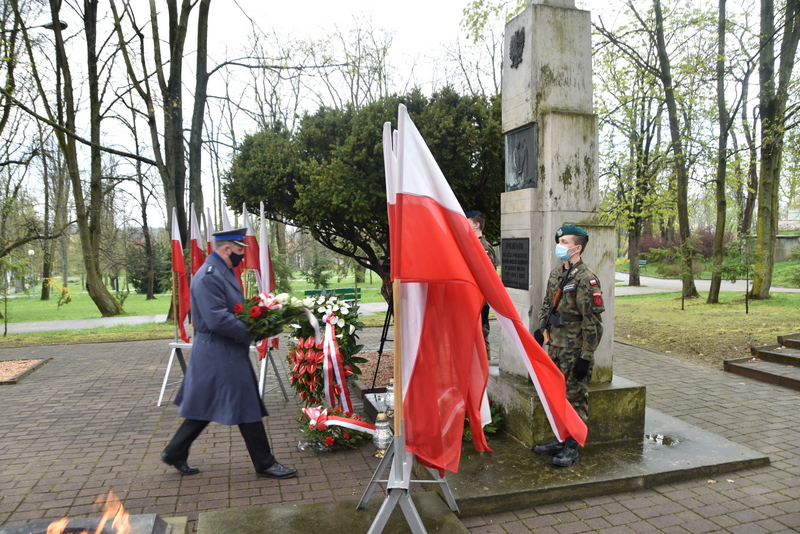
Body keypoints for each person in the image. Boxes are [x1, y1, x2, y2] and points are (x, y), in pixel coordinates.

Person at [161, 227, 297, 479]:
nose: (241, 256)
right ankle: (265, 463)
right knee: (247, 405)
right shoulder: (210, 275)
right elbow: (217, 319)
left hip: (218, 350)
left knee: (202, 405)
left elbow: (232, 309)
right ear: (225, 249)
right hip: (218, 350)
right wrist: (249, 331)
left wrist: (259, 314)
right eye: (238, 251)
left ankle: (175, 452)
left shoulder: (221, 271)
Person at [532, 224, 604, 467]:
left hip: (575, 349)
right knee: (557, 396)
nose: (560, 247)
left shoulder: (586, 278)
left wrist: (586, 356)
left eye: (564, 243)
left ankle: (573, 446)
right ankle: (561, 439)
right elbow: (546, 304)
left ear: (577, 247)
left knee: (575, 396)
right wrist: (542, 330)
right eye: (559, 242)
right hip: (556, 346)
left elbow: (592, 322)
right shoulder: (557, 273)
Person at [466, 211, 496, 358]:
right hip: (470, 299)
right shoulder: (471, 245)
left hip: (479, 301)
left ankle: (485, 372)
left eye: (467, 221)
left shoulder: (483, 247)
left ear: (476, 225)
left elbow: (486, 276)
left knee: (480, 337)